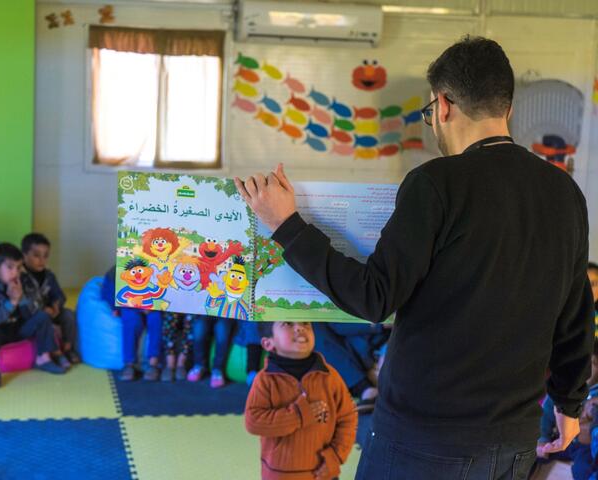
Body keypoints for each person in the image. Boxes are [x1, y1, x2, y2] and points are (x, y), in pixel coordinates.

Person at [235, 35, 594, 479]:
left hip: (425, 440)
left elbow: (374, 297)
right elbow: (575, 316)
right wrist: (569, 404)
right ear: (509, 109)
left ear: (442, 105)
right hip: (515, 442)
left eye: (429, 113)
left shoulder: (436, 182)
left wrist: (285, 225)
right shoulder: (565, 194)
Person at [245, 321, 357, 480]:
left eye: (306, 323)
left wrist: (336, 456)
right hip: (280, 474)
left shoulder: (330, 376)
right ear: (268, 343)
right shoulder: (264, 381)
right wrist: (299, 415)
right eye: (288, 324)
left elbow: (348, 418)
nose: (300, 327)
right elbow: (254, 422)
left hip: (323, 471)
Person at [0, 243, 66, 388]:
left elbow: (30, 313)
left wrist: (21, 298)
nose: (15, 273)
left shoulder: (21, 283)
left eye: (18, 268)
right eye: (9, 267)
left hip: (15, 328)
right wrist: (12, 301)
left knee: (42, 316)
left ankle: (43, 358)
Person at [537, 339, 598, 479]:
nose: (587, 369)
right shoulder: (564, 386)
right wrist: (543, 439)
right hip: (560, 440)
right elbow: (546, 413)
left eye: (594, 364)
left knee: (581, 470)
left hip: (584, 446)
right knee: (531, 453)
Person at [21, 233, 80, 367]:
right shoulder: (21, 277)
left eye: (45, 256)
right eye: (36, 255)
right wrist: (43, 311)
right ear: (24, 255)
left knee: (69, 315)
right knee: (44, 318)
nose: (42, 260)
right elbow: (24, 303)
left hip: (50, 312)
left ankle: (68, 348)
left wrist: (56, 307)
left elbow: (59, 295)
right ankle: (55, 352)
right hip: (33, 316)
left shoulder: (49, 275)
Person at [101, 265, 164, 381]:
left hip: (153, 306)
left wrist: (152, 305)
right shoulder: (116, 271)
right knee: (131, 320)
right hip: (130, 306)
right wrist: (117, 308)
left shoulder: (157, 266)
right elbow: (109, 291)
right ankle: (129, 363)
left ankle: (153, 363)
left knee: (156, 318)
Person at [187, 315, 234, 388]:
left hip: (225, 314)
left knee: (222, 334)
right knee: (198, 330)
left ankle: (217, 369)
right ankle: (199, 365)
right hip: (204, 313)